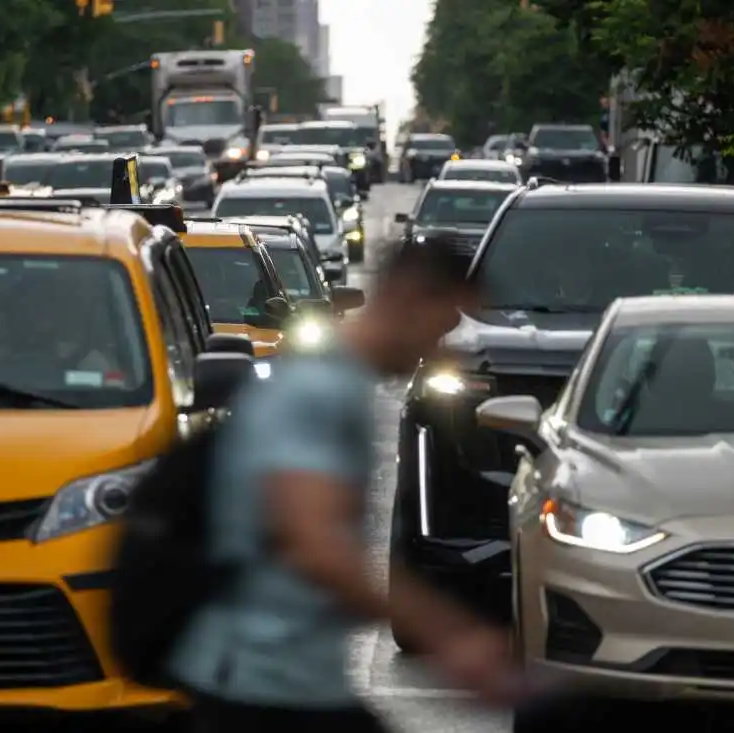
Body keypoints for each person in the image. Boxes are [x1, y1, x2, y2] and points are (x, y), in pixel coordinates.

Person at [167, 235, 519, 733]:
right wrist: (451, 637)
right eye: (442, 323)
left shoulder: (334, 379)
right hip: (257, 684)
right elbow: (315, 546)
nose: (436, 345)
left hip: (290, 679)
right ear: (408, 298)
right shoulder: (320, 388)